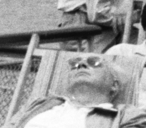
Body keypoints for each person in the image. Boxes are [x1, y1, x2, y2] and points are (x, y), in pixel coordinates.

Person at [9, 51, 146, 127]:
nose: (81, 65)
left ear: (114, 85)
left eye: (94, 62)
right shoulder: (40, 105)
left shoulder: (126, 116)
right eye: (74, 65)